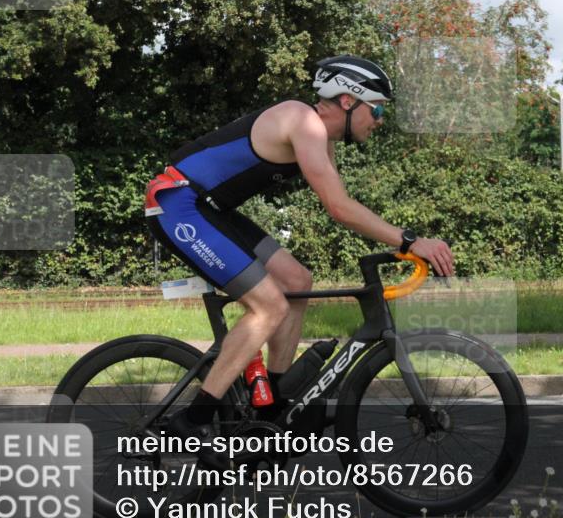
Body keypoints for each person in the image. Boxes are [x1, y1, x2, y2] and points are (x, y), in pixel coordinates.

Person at [143, 55, 455, 443]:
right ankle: (193, 419)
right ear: (348, 100)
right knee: (269, 305)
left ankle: (270, 404)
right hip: (177, 204)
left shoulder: (321, 138)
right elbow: (339, 209)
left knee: (296, 279)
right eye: (376, 108)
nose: (379, 119)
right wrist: (410, 241)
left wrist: (400, 242)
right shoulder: (302, 120)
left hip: (209, 209)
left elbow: (343, 204)